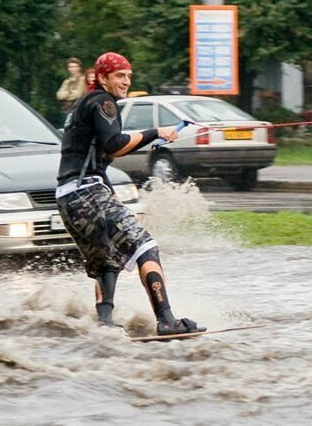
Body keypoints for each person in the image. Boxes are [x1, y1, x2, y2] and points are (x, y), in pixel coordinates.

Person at [55, 52, 205, 336]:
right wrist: (156, 132)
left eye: (129, 76)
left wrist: (107, 191)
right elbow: (114, 145)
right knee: (145, 247)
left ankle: (104, 323)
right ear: (102, 78)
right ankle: (167, 320)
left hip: (67, 197)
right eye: (119, 76)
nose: (126, 82)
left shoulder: (81, 104)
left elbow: (94, 153)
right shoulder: (103, 101)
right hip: (87, 192)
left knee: (105, 260)